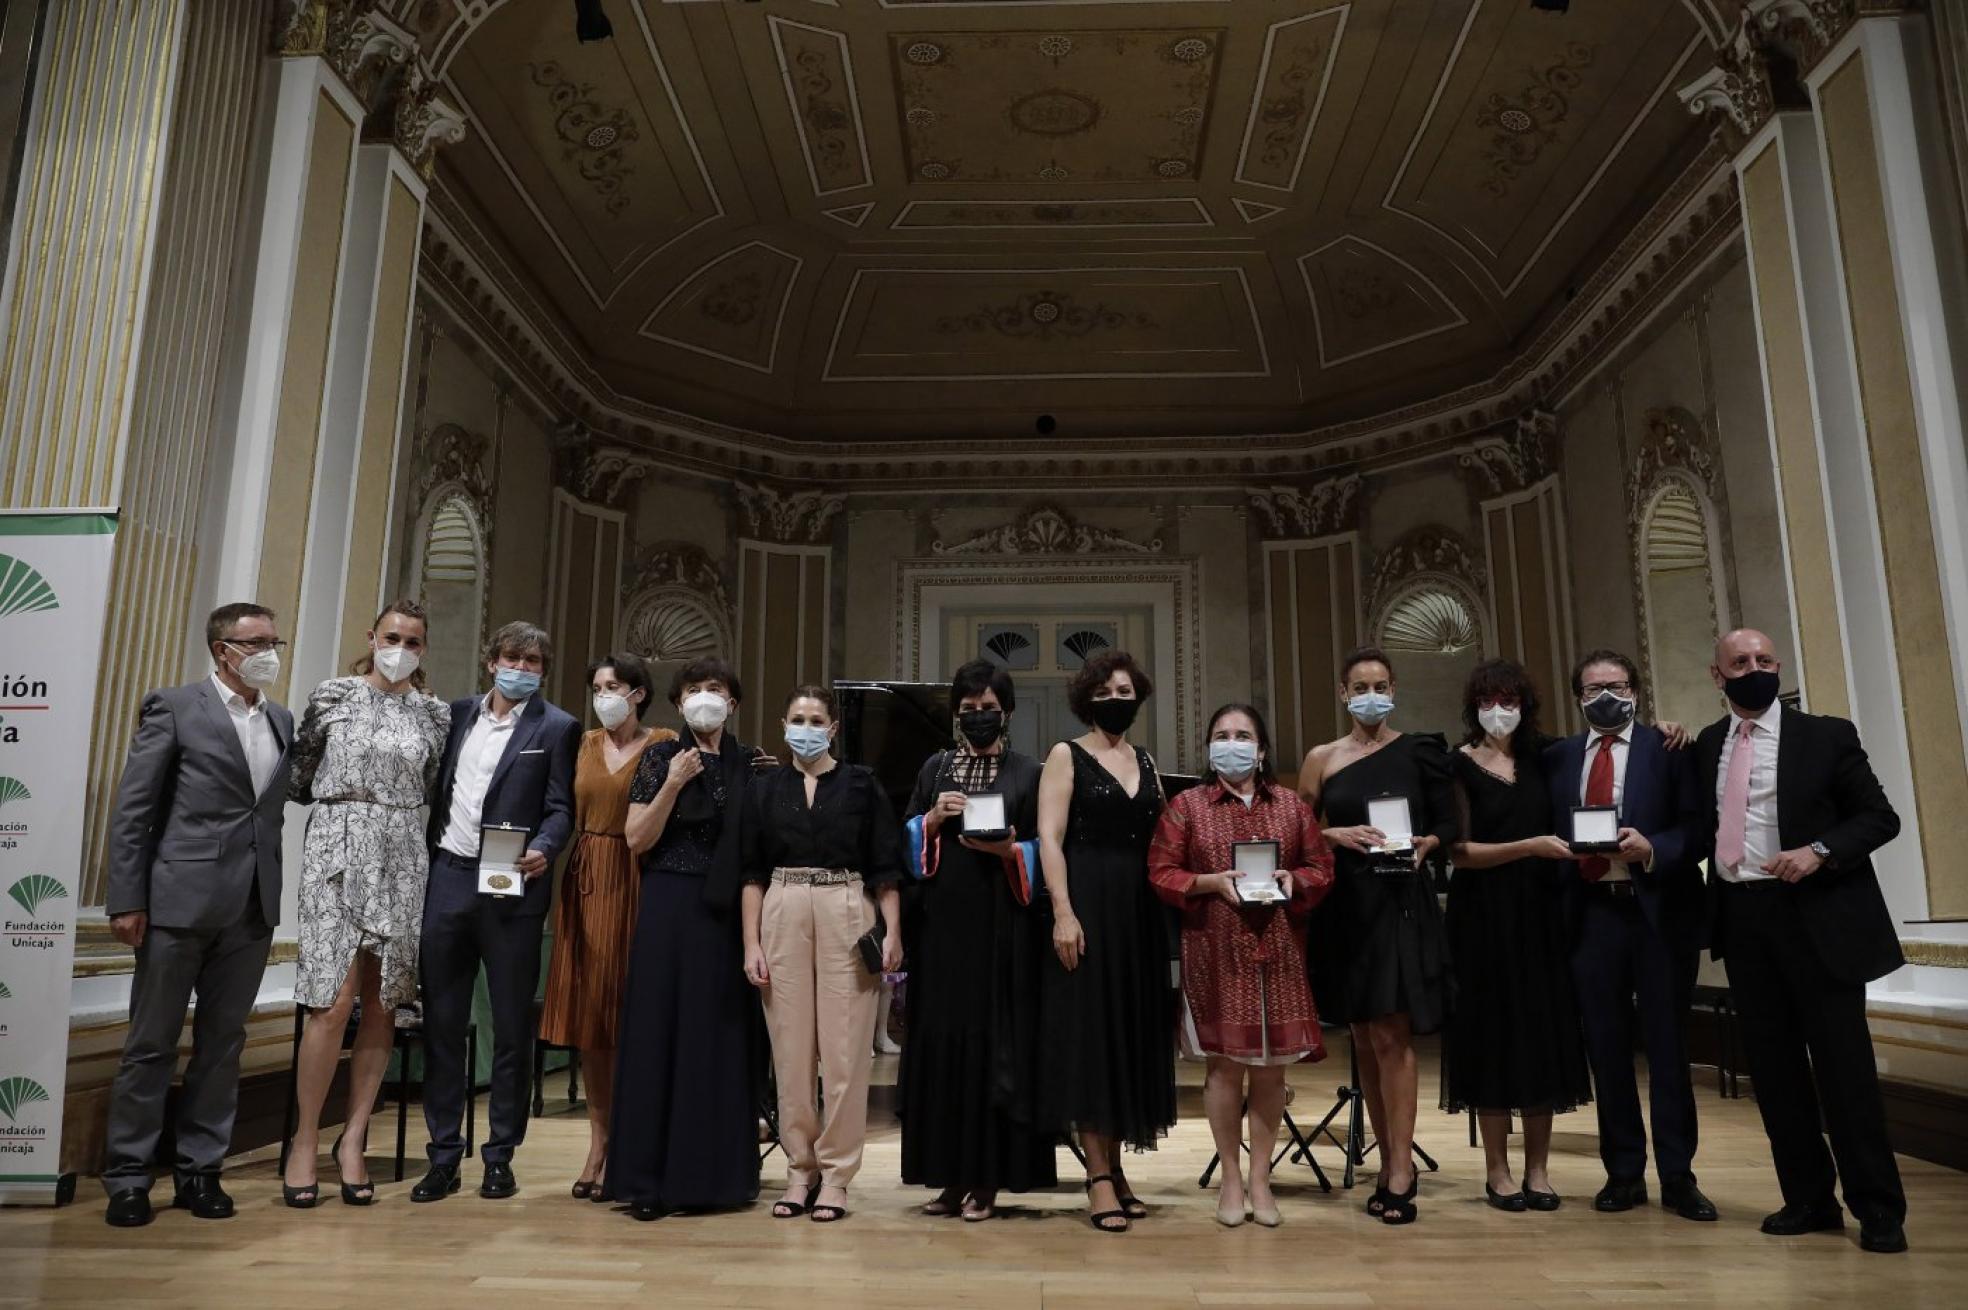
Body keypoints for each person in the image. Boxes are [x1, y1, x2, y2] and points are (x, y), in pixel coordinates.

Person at [1698, 629, 1907, 1254]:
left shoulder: (1826, 735)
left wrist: (1819, 852)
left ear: (1778, 666)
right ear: (1719, 676)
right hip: (1744, 920)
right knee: (1776, 1071)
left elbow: (1878, 817)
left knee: (1845, 1071)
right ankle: (1808, 1199)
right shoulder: (1708, 745)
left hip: (1818, 919)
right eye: (1740, 663)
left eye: (1764, 660)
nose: (1754, 669)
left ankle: (1876, 1207)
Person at [100, 603, 295, 1228]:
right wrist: (128, 899)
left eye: (274, 640)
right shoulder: (175, 706)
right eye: (256, 642)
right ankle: (129, 1177)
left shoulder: (281, 719)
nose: (269, 651)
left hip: (252, 906)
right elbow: (135, 809)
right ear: (222, 650)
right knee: (150, 1043)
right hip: (176, 902)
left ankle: (199, 1172)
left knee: (222, 1046)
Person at [284, 601, 449, 1207]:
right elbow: (300, 775)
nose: (400, 647)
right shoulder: (333, 695)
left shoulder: (433, 714)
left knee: (385, 1003)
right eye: (391, 636)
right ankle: (306, 1139)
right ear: (371, 636)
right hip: (337, 842)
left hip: (404, 849)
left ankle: (353, 1138)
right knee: (332, 1001)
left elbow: (434, 784)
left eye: (412, 640)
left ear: (423, 649)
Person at [1148, 703, 1333, 1228]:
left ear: (1262, 749)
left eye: (1243, 735)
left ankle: (1260, 1178)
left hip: (1278, 949)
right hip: (1215, 950)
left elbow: (1321, 865)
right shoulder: (1186, 806)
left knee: (1272, 1071)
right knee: (1224, 1068)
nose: (1232, 743)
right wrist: (1207, 882)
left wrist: (1296, 881)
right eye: (1222, 735)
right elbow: (1161, 872)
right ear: (1209, 748)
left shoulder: (1293, 807)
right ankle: (1230, 1177)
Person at [413, 622, 580, 1203]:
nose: (523, 668)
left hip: (513, 882)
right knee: (443, 1024)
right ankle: (442, 1155)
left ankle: (500, 1156)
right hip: (450, 878)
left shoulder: (557, 727)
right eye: (513, 657)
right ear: (491, 661)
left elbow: (562, 806)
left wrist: (546, 846)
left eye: (534, 661)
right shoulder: (455, 715)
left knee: (511, 1029)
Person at [1545, 649, 1713, 1222]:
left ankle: (1678, 1175)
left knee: (1668, 1045)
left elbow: (1699, 828)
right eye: (1592, 690)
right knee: (1607, 1047)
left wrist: (1656, 849)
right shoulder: (1558, 757)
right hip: (1590, 914)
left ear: (1636, 691)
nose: (1605, 697)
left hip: (1656, 911)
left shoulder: (1669, 749)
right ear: (1578, 698)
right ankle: (1622, 1172)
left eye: (1615, 686)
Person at [1298, 645, 1453, 1226]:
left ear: (1394, 688)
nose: (1371, 693)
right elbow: (1299, 829)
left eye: (1381, 684)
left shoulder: (1420, 752)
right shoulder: (1321, 757)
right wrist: (1335, 837)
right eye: (1360, 685)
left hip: (1398, 901)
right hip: (1345, 904)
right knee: (1362, 1034)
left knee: (1392, 1031)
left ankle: (1400, 1169)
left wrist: (1427, 846)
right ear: (1343, 693)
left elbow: (1446, 825)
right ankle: (1388, 1155)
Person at [740, 686, 904, 1223]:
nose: (805, 727)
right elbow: (752, 873)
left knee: (844, 1053)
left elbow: (885, 868)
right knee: (789, 1053)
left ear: (833, 728)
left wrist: (894, 933)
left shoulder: (862, 784)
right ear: (784, 724)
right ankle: (799, 1168)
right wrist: (751, 943)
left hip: (846, 904)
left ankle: (836, 1176)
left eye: (815, 719)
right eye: (796, 718)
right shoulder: (765, 787)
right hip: (783, 906)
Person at [899, 660, 1055, 1221]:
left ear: (1006, 711)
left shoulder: (1028, 772)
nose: (979, 716)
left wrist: (1009, 851)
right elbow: (909, 838)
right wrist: (932, 823)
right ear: (956, 714)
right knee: (944, 1043)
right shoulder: (935, 767)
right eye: (969, 709)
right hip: (943, 930)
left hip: (1002, 930)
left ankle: (988, 1178)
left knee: (995, 1049)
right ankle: (948, 1176)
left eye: (989, 708)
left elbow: (1044, 849)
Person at [609, 657, 764, 1219]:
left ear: (734, 702)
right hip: (670, 903)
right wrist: (673, 783)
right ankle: (649, 1180)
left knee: (716, 1038)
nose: (705, 697)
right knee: (661, 1033)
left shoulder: (751, 762)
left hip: (729, 909)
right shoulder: (658, 756)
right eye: (694, 689)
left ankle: (716, 1178)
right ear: (678, 704)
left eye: (715, 689)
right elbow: (635, 838)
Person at [1442, 659, 1592, 1212]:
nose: (1498, 710)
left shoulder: (1547, 758)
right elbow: (1459, 852)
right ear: (1474, 706)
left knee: (1541, 1035)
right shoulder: (1456, 765)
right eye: (1488, 700)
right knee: (1490, 1037)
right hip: (1481, 915)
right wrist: (1528, 846)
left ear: (1525, 705)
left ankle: (1539, 1170)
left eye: (1509, 699)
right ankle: (1498, 1171)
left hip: (1540, 913)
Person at [1037, 649, 1174, 1234]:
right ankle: (1097, 1177)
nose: (1117, 699)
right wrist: (1063, 912)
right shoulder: (1066, 755)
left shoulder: (1146, 759)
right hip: (1088, 907)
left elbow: (1168, 836)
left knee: (1128, 1037)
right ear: (1087, 699)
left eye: (1126, 691)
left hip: (1139, 914)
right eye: (1105, 691)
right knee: (1093, 1039)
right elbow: (1048, 836)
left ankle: (1116, 1169)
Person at [538, 653, 675, 1200]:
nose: (603, 695)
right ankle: (598, 1142)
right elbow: (557, 808)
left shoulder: (664, 741)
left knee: (632, 1012)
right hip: (587, 876)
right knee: (591, 1018)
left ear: (639, 692)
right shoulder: (582, 743)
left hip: (643, 875)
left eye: (613, 686)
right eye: (596, 686)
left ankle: (634, 1139)